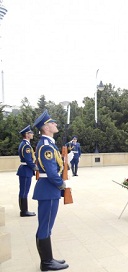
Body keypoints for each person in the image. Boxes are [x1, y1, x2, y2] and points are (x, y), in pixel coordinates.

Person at [32, 110, 69, 271]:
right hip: (48, 188)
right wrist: (62, 185)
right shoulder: (45, 146)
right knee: (45, 226)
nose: (55, 124)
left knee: (47, 226)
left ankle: (48, 259)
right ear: (46, 127)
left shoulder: (49, 144)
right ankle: (46, 263)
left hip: (48, 189)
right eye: (52, 122)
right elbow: (52, 172)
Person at [16, 125, 37, 217]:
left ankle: (23, 210)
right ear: (26, 134)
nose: (32, 134)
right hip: (26, 170)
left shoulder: (25, 144)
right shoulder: (26, 146)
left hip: (25, 170)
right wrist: (36, 168)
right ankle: (24, 211)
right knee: (24, 191)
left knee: (23, 190)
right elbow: (28, 160)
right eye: (31, 133)